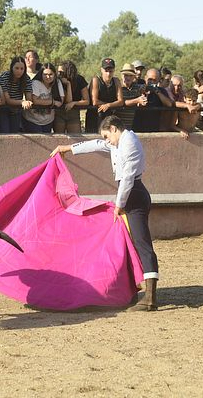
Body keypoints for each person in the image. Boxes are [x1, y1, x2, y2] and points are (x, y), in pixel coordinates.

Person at [50, 114, 159, 311]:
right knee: (129, 244)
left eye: (108, 136)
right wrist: (67, 148)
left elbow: (127, 178)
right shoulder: (119, 142)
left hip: (133, 195)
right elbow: (97, 144)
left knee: (141, 243)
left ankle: (150, 298)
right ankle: (133, 291)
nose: (107, 140)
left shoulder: (129, 143)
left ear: (114, 129)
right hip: (130, 195)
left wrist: (118, 205)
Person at [23, 62, 66, 133]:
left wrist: (48, 102)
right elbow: (35, 100)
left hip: (48, 121)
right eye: (45, 74)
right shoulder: (35, 83)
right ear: (41, 74)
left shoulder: (57, 83)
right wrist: (53, 102)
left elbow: (60, 101)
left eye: (50, 74)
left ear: (54, 75)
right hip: (32, 120)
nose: (48, 77)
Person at [86, 58, 124, 133]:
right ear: (101, 70)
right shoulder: (96, 80)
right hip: (95, 116)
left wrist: (108, 105)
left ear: (114, 70)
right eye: (106, 71)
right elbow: (95, 101)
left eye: (111, 71)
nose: (108, 74)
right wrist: (111, 104)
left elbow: (121, 101)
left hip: (109, 117)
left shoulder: (116, 81)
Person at [132, 68, 174, 133]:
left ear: (158, 81)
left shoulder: (161, 91)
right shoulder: (137, 88)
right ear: (145, 78)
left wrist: (157, 92)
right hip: (137, 128)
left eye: (154, 80)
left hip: (154, 128)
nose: (152, 82)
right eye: (150, 79)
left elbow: (169, 104)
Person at [0, 56, 33, 133]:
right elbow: (7, 100)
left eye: (22, 69)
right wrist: (22, 102)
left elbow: (29, 98)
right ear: (12, 68)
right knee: (5, 133)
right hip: (4, 110)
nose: (19, 71)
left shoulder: (26, 79)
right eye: (16, 68)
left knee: (14, 134)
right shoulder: (4, 77)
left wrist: (27, 102)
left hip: (16, 111)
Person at [55, 61, 89, 134]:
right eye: (58, 72)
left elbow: (86, 101)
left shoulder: (79, 79)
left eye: (61, 72)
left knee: (75, 138)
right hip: (59, 112)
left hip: (74, 113)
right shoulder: (58, 80)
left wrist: (74, 103)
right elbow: (67, 101)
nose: (59, 74)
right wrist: (68, 84)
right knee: (58, 138)